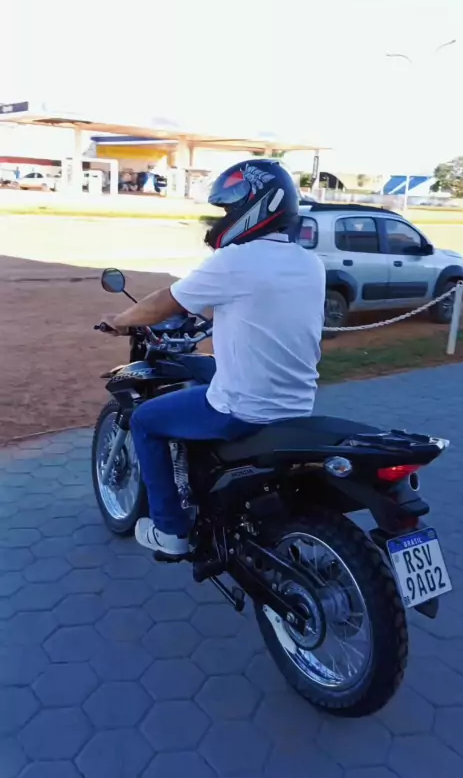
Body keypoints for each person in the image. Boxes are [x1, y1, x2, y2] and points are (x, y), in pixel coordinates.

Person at [100, 159, 326, 557]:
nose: (224, 217)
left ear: (256, 206)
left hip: (245, 409)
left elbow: (165, 302)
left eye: (229, 208)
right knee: (207, 373)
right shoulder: (310, 263)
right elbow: (267, 310)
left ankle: (170, 530)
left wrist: (120, 321)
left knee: (146, 420)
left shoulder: (236, 260)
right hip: (296, 405)